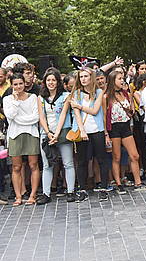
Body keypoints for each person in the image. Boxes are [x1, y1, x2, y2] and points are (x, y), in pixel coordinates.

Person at [70, 67, 111, 200]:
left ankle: (103, 187)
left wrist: (80, 107)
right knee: (82, 161)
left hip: (97, 130)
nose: (83, 79)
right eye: (81, 77)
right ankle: (82, 189)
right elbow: (76, 115)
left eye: (86, 76)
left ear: (91, 77)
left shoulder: (99, 92)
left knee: (102, 159)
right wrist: (82, 130)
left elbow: (95, 111)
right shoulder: (76, 93)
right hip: (82, 131)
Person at [103, 70, 146, 194]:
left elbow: (131, 109)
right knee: (116, 156)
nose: (122, 81)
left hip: (126, 126)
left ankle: (138, 182)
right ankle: (118, 183)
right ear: (112, 81)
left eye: (122, 78)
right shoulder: (106, 96)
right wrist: (106, 133)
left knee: (135, 155)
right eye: (119, 79)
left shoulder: (126, 93)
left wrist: (131, 108)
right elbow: (104, 116)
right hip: (114, 128)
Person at [37, 68, 76, 204]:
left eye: (53, 80)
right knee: (47, 164)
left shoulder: (65, 96)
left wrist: (57, 134)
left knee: (68, 163)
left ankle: (70, 191)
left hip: (63, 132)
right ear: (44, 82)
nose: (51, 82)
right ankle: (46, 194)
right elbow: (41, 116)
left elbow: (64, 114)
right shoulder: (41, 98)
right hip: (47, 134)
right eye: (48, 80)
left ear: (58, 81)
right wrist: (48, 133)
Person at [3, 73, 41, 206]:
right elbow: (10, 115)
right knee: (16, 167)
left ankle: (32, 195)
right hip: (14, 135)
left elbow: (35, 118)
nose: (18, 86)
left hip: (31, 133)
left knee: (33, 165)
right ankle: (18, 196)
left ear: (25, 83)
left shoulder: (33, 97)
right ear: (12, 85)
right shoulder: (7, 99)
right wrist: (15, 101)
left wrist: (19, 120)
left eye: (20, 83)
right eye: (15, 84)